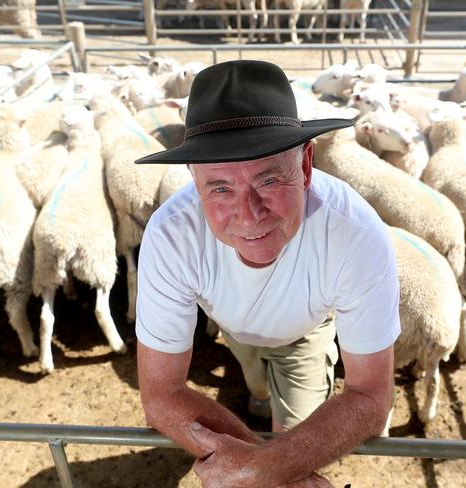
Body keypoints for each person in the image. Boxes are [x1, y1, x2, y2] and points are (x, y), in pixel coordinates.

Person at [133, 60, 400, 487]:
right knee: (257, 392)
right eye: (219, 187)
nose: (248, 213)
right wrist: (270, 469)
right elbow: (161, 394)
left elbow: (370, 395)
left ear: (306, 165)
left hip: (306, 333)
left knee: (293, 426)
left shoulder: (354, 234)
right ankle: (258, 395)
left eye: (269, 179)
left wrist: (269, 468)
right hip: (234, 329)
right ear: (193, 180)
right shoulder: (171, 236)